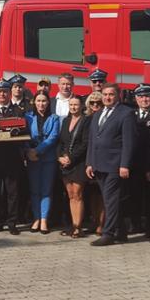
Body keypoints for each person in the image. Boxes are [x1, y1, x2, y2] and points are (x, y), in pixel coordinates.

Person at [85, 84, 134, 246]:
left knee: (111, 200)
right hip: (99, 164)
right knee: (111, 200)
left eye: (111, 94)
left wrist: (125, 164)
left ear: (118, 95)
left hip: (115, 165)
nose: (107, 97)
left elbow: (128, 142)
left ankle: (108, 233)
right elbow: (93, 140)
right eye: (105, 94)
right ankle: (121, 232)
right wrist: (90, 162)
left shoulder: (126, 114)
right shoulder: (98, 114)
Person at [0, 79, 27, 235]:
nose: (2, 94)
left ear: (10, 93)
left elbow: (23, 130)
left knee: (12, 193)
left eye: (5, 91)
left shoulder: (18, 111)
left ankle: (12, 223)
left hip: (12, 158)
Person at [126, 83, 150, 237]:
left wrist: (149, 167)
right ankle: (135, 223)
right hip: (133, 163)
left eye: (147, 96)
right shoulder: (131, 115)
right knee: (134, 195)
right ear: (136, 99)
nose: (144, 99)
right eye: (140, 96)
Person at [26, 92, 60, 234]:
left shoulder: (54, 118)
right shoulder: (28, 117)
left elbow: (53, 138)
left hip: (48, 159)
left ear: (48, 103)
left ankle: (44, 219)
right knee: (35, 190)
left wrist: (37, 150)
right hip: (32, 159)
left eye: (44, 101)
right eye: (38, 101)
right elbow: (23, 135)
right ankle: (36, 218)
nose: (41, 104)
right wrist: (28, 151)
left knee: (46, 190)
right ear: (34, 102)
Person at [58, 96, 90, 237]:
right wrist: (59, 157)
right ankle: (73, 225)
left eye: (76, 105)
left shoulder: (86, 121)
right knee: (70, 195)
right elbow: (60, 142)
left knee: (78, 195)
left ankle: (78, 227)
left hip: (78, 163)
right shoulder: (65, 121)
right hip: (65, 164)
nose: (73, 107)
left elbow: (85, 144)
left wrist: (70, 158)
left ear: (81, 106)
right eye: (71, 105)